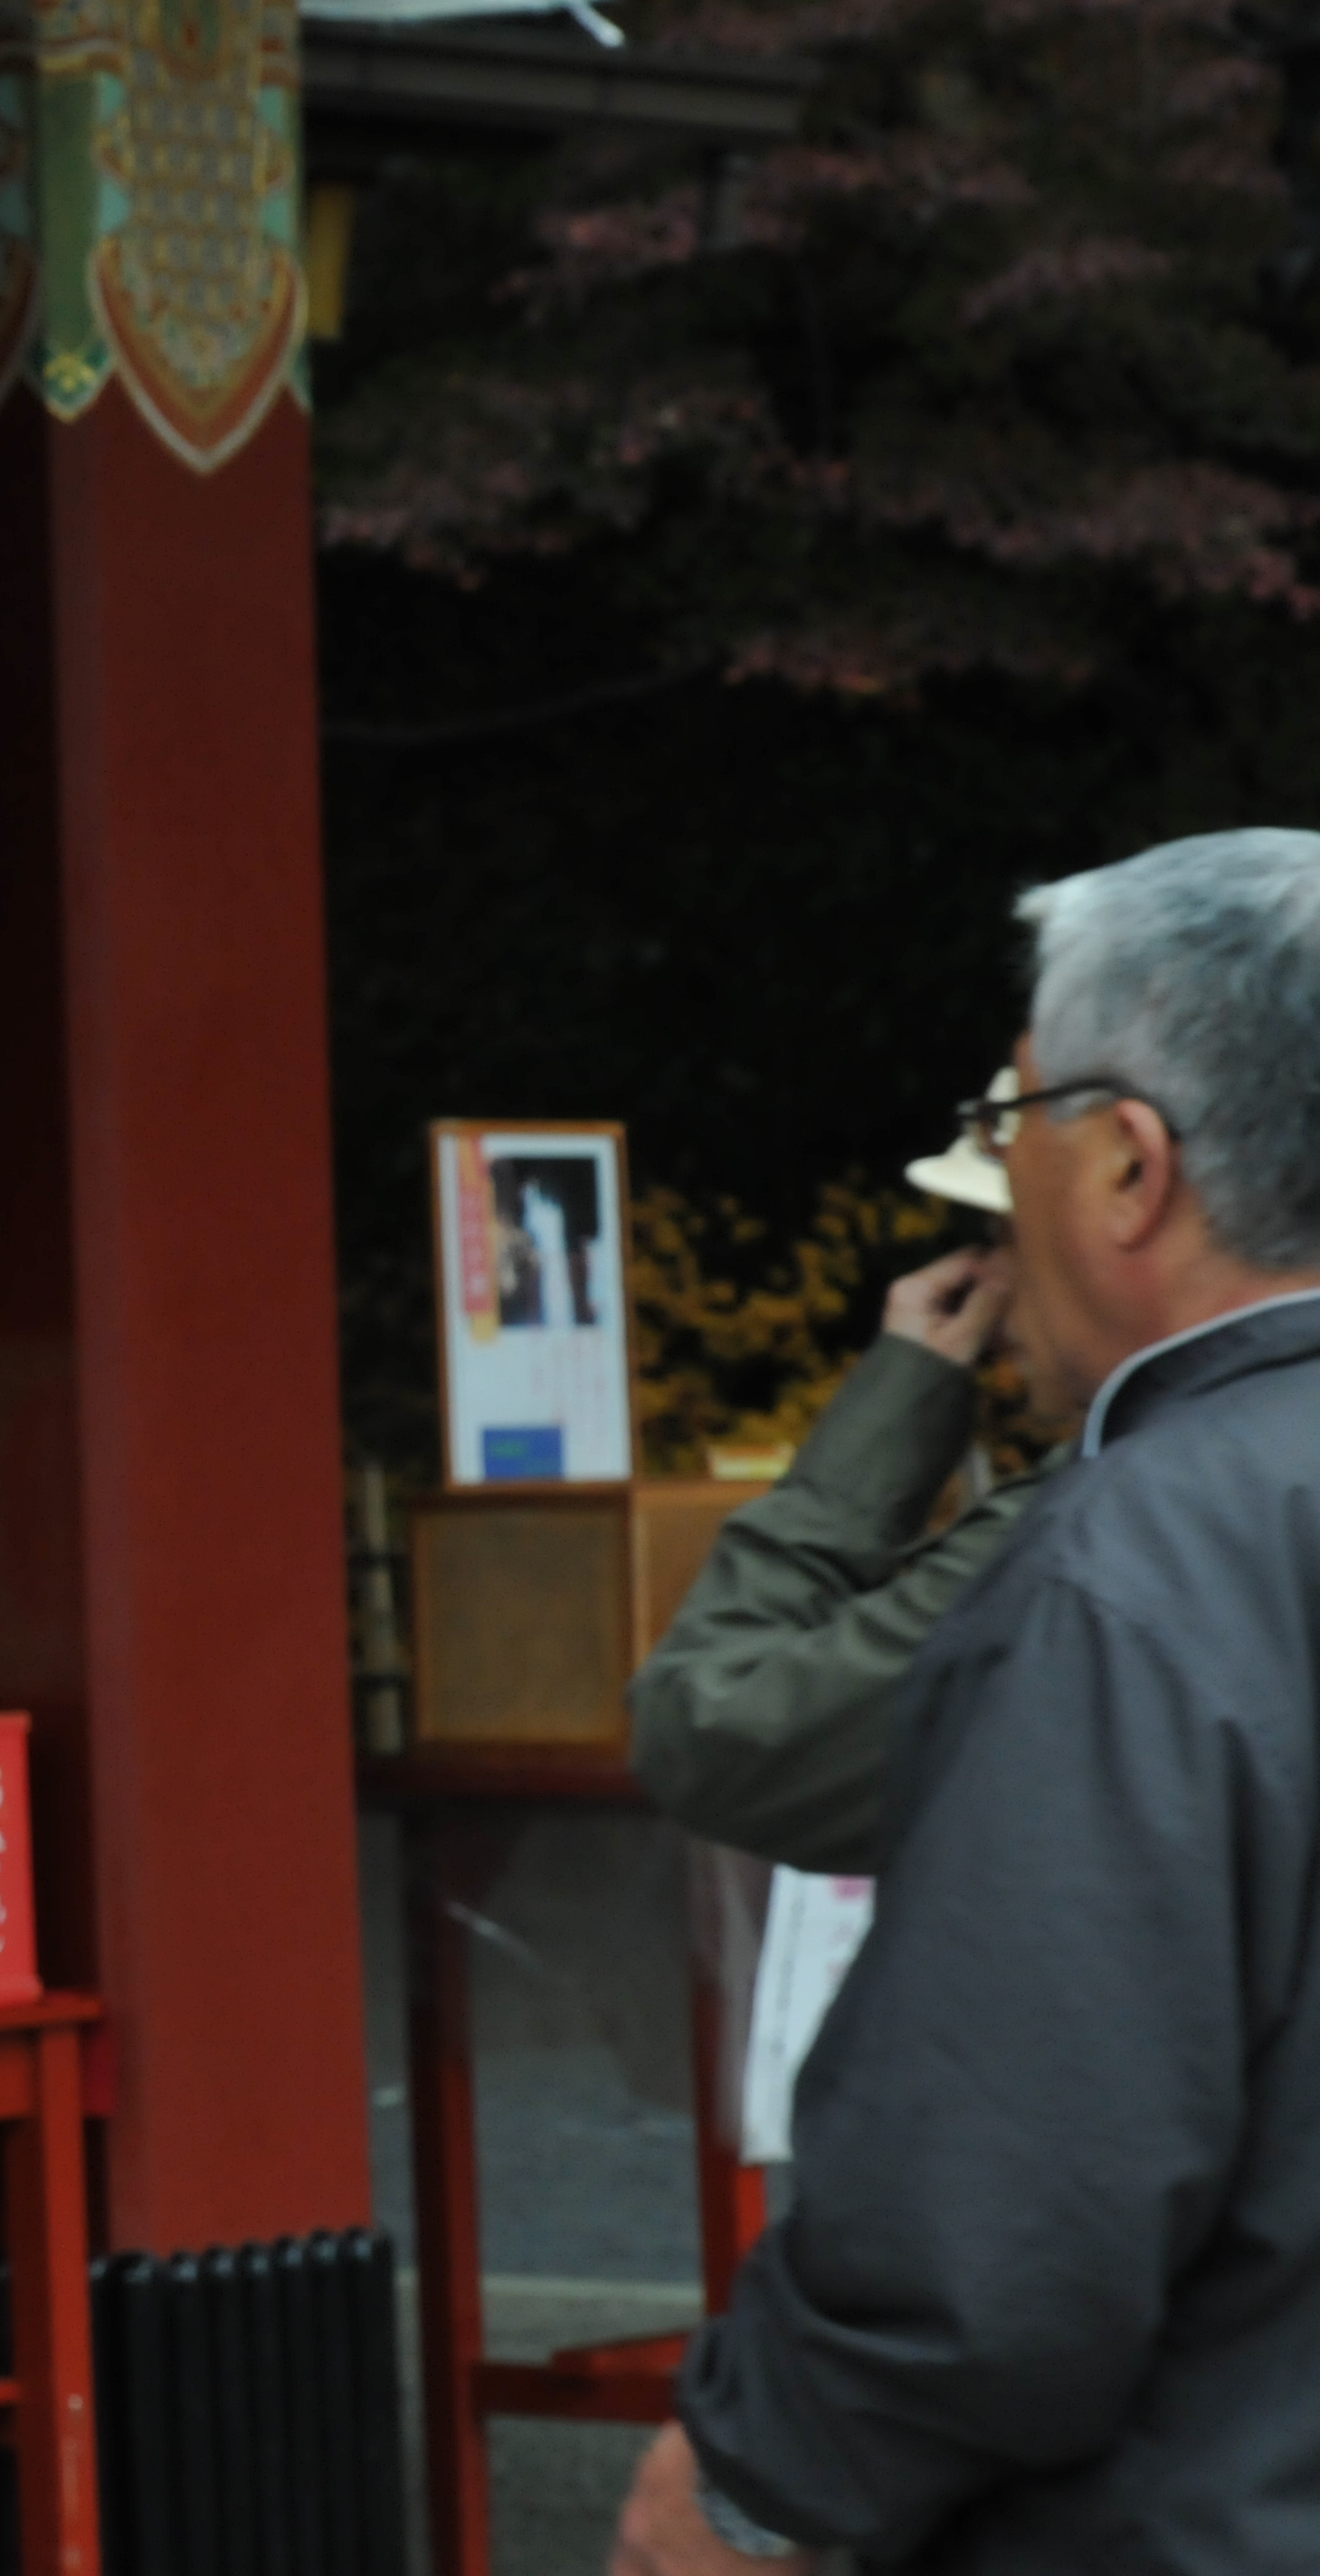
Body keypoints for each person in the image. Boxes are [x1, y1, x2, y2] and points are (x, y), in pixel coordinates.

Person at [613, 829, 1320, 2573]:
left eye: (1014, 1128)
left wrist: (752, 2483)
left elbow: (998, 2222)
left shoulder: (1131, 1564)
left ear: (1129, 1166)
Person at [626, 1093, 1058, 1874]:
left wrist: (895, 1412)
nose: (987, 1285)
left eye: (1005, 1236)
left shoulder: (1081, 1527)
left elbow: (714, 1739)